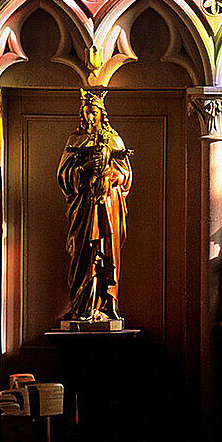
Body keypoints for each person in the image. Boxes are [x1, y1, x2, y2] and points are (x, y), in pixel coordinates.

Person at [57, 90, 133, 324]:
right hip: (82, 209)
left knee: (105, 256)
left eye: (93, 112)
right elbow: (62, 175)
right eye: (86, 112)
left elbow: (126, 173)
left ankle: (106, 304)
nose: (89, 117)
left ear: (101, 114)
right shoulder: (75, 140)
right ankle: (82, 306)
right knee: (82, 256)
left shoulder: (114, 140)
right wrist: (84, 169)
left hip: (107, 208)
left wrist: (112, 175)